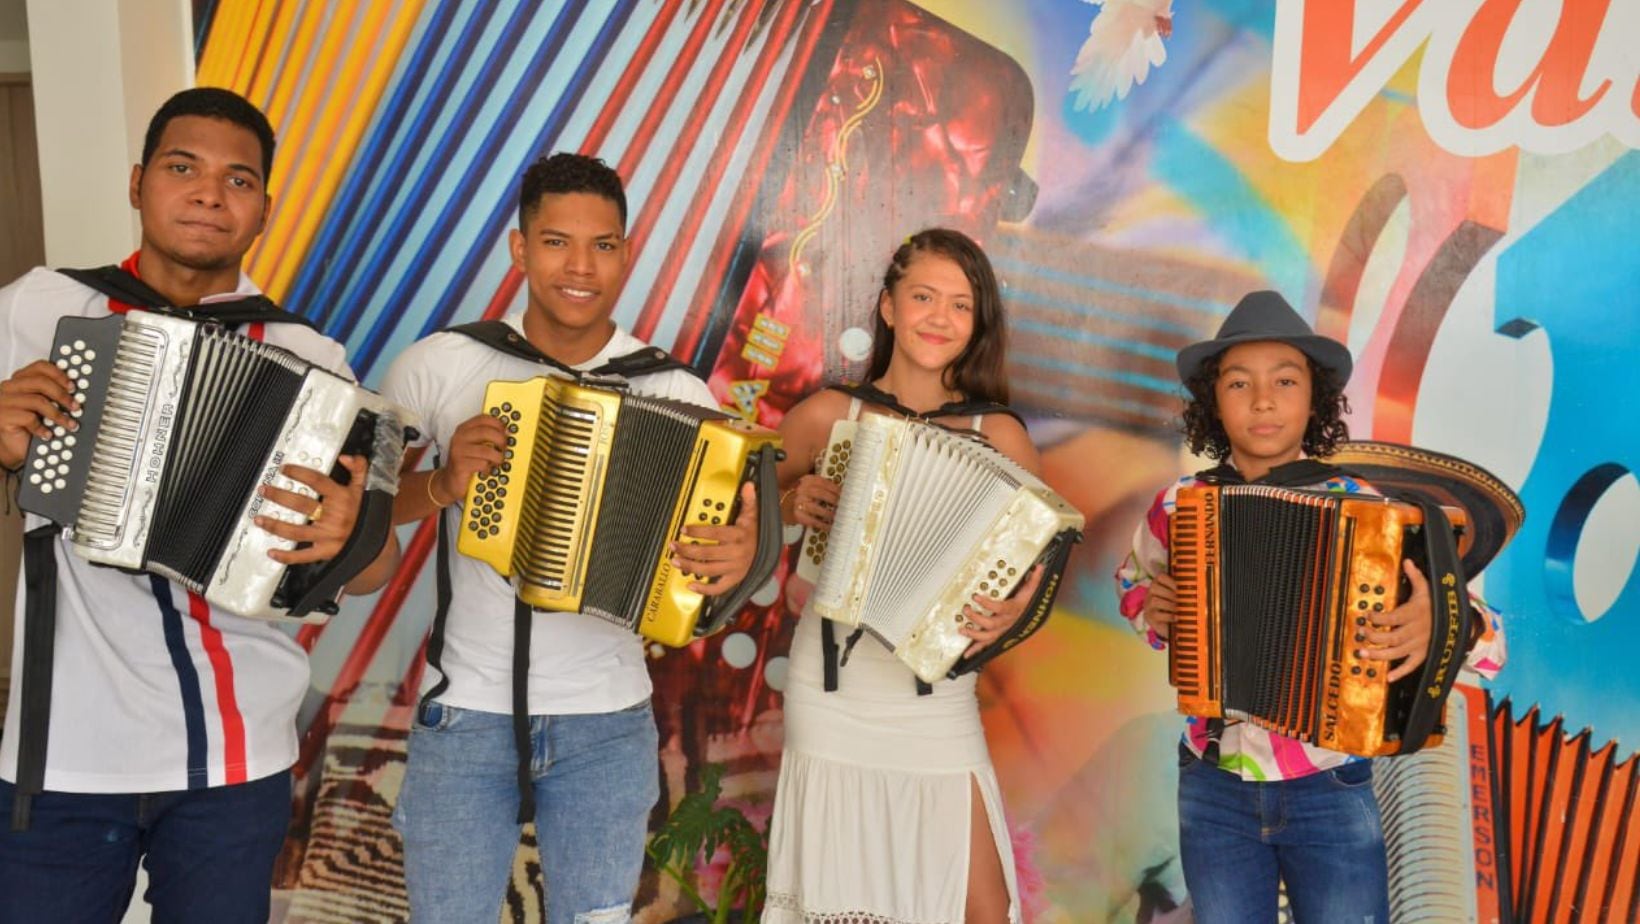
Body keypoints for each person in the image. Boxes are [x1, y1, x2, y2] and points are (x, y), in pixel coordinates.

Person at [0, 87, 400, 923]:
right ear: (138, 181)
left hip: (233, 750)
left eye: (238, 180)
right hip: (64, 746)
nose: (210, 195)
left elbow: (372, 571)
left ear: (263, 210)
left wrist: (349, 536)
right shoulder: (39, 306)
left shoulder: (308, 354)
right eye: (183, 168)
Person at [381, 151, 762, 923]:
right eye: (556, 242)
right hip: (465, 712)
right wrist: (443, 485)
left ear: (627, 253)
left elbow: (716, 569)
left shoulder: (677, 391)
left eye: (603, 245)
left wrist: (740, 558)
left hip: (607, 722)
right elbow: (359, 507)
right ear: (520, 249)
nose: (581, 267)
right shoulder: (439, 364)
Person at [1113, 290, 1507, 922]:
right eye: (1238, 383)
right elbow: (1134, 585)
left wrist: (1441, 625)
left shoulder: (1373, 513)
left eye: (1285, 381)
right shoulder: (1178, 505)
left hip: (1329, 782)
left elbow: (1491, 648)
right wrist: (1152, 613)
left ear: (1314, 399)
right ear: (1214, 402)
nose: (1263, 400)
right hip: (1212, 786)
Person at [764, 228, 1049, 923]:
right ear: (889, 306)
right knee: (842, 903)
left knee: (982, 910)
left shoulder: (998, 434)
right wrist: (790, 504)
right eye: (923, 297)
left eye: (960, 304)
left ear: (977, 324)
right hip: (833, 691)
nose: (939, 317)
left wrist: (1017, 610)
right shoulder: (830, 414)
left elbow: (1040, 564)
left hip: (935, 698)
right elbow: (737, 506)